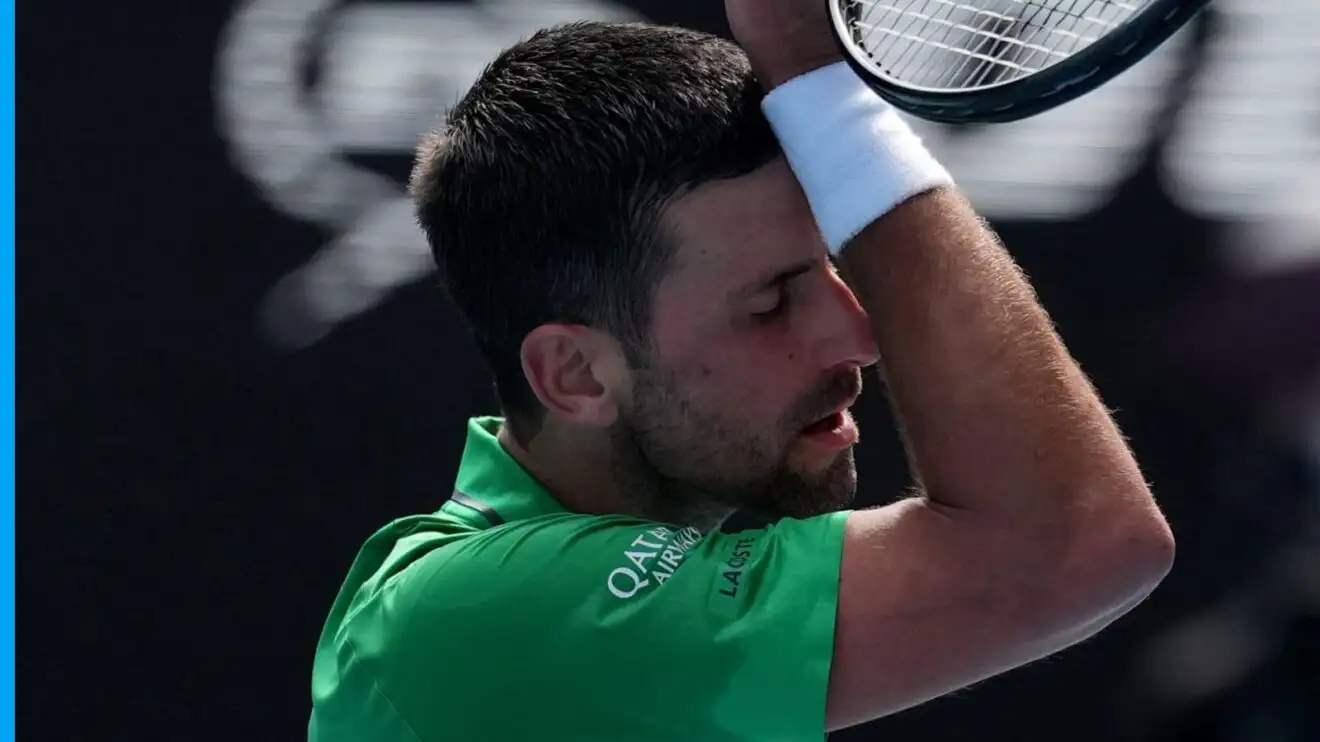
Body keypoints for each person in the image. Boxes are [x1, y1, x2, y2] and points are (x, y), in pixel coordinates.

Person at [307, 0, 1176, 739]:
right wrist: (820, 86)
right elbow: (1072, 542)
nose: (858, 334)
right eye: (769, 304)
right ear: (576, 375)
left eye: (832, 264)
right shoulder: (475, 618)